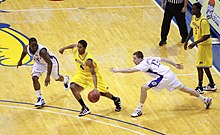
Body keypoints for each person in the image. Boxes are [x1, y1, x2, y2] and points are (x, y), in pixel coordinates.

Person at [110, 51, 212, 117]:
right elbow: (163, 59)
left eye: (135, 58)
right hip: (170, 74)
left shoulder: (143, 64)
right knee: (184, 88)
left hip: (164, 77)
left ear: (140, 58)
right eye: (133, 58)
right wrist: (175, 64)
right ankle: (205, 100)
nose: (133, 60)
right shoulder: (149, 58)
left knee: (143, 87)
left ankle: (139, 109)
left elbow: (129, 70)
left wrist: (117, 70)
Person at [59, 40, 121, 117]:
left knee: (102, 93)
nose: (78, 48)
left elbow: (93, 74)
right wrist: (63, 48)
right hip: (81, 75)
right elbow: (73, 46)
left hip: (91, 76)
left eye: (80, 47)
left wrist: (95, 88)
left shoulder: (88, 60)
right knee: (72, 87)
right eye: (78, 46)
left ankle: (115, 99)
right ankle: (84, 108)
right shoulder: (76, 50)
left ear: (85, 48)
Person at [17, 37, 69, 107]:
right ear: (29, 45)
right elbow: (24, 52)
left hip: (51, 63)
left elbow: (49, 63)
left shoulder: (42, 51)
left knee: (56, 78)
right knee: (34, 77)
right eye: (33, 45)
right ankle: (40, 98)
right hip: (39, 63)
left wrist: (48, 77)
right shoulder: (26, 48)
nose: (34, 46)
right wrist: (20, 60)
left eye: (36, 45)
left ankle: (65, 80)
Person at [184, 2, 217, 94]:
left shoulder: (204, 21)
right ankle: (212, 84)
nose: (192, 10)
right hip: (200, 45)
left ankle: (200, 87)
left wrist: (195, 42)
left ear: (199, 10)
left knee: (199, 66)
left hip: (205, 46)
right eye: (193, 8)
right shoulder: (194, 17)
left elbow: (207, 35)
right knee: (205, 66)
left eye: (194, 9)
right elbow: (192, 29)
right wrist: (187, 41)